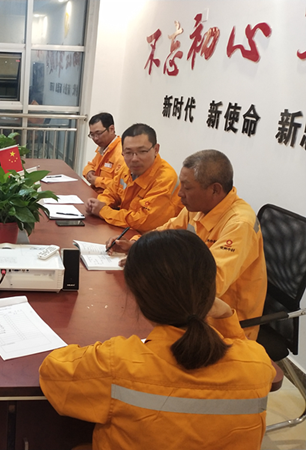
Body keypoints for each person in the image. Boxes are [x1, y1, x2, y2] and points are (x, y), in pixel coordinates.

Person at [39, 229, 275, 450]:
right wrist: (225, 318)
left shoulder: (117, 362)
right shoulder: (258, 364)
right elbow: (240, 349)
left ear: (138, 297)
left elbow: (52, 372)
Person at [106, 150, 266, 339]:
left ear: (215, 190)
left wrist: (151, 267)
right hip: (189, 305)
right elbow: (166, 232)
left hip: (224, 323)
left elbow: (211, 284)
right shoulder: (199, 206)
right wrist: (137, 246)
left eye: (187, 188)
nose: (180, 193)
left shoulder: (239, 224)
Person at [85, 123, 182, 233]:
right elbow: (112, 192)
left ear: (156, 149)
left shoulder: (165, 178)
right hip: (127, 231)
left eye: (142, 151)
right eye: (128, 152)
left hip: (155, 237)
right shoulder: (126, 169)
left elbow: (143, 221)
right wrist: (99, 203)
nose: (134, 159)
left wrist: (103, 211)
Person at [82, 113, 125, 192]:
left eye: (98, 133)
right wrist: (89, 172)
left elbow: (120, 186)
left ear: (111, 129)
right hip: (95, 192)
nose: (95, 138)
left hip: (109, 197)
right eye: (92, 135)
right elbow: (90, 165)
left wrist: (97, 181)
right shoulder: (103, 147)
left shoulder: (121, 153)